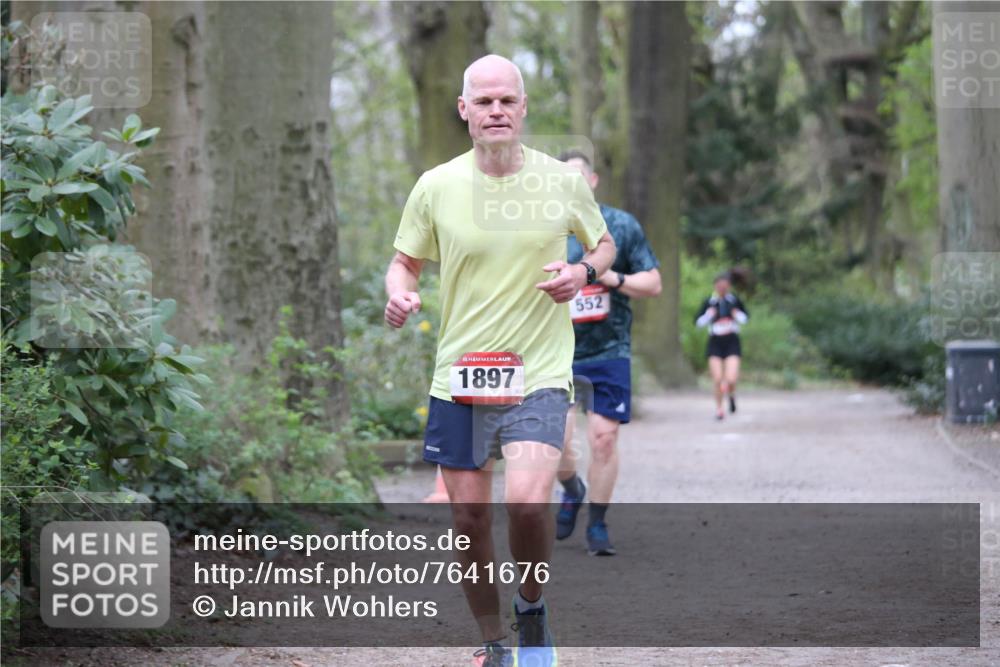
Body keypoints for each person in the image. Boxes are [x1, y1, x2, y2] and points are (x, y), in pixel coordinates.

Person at [384, 55, 615, 667]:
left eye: (506, 100)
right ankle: (494, 642)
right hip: (459, 376)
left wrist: (582, 271)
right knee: (468, 520)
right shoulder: (435, 185)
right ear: (464, 110)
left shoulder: (560, 181)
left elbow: (604, 244)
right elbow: (404, 260)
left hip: (537, 371)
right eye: (483, 101)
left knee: (529, 501)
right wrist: (399, 291)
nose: (495, 111)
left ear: (523, 107)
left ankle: (532, 609)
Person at [553, 150, 662, 557]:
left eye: (579, 177)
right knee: (558, 442)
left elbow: (653, 284)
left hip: (610, 350)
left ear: (593, 181)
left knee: (602, 438)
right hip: (556, 352)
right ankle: (571, 489)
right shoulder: (542, 230)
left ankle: (597, 524)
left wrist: (609, 276)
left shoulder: (619, 225)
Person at [694, 272, 749, 420]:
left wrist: (736, 314)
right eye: (719, 285)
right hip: (715, 342)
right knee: (717, 379)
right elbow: (698, 323)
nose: (722, 288)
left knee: (731, 379)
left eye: (725, 286)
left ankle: (731, 395)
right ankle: (719, 409)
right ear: (715, 286)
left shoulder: (735, 301)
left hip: (732, 341)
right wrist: (708, 315)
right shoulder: (709, 302)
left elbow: (745, 319)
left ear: (729, 286)